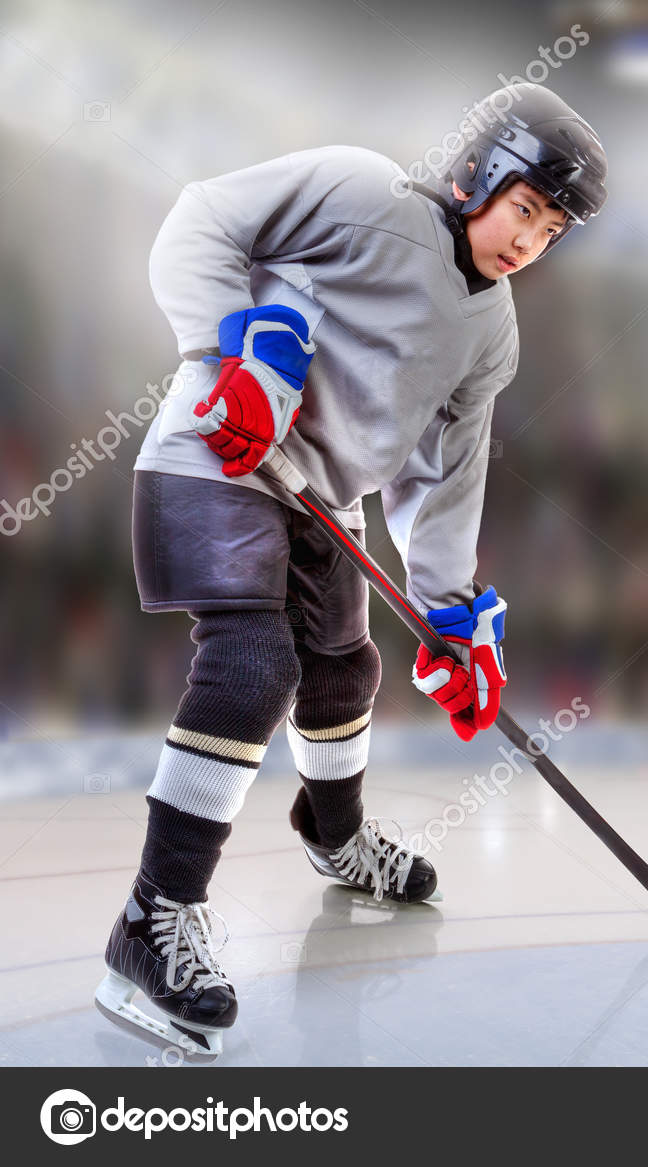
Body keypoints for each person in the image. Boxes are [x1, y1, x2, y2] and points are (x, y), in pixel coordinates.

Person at [93, 82, 607, 1058]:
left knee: (344, 667)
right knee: (254, 666)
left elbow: (442, 475)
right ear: (477, 175)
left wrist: (452, 613)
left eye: (551, 231)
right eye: (524, 209)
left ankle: (336, 839)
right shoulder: (357, 188)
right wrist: (231, 346)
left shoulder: (491, 330)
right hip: (221, 451)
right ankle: (150, 924)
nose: (528, 241)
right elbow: (198, 221)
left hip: (321, 499)